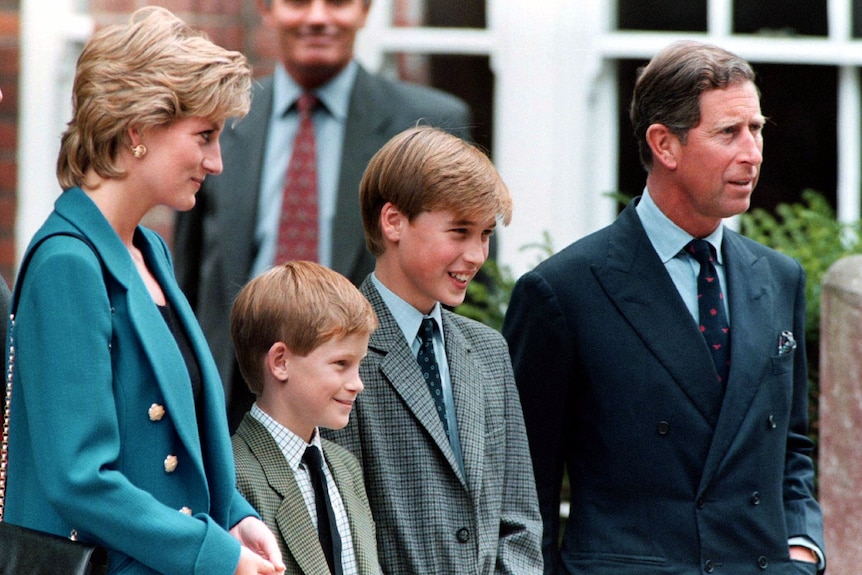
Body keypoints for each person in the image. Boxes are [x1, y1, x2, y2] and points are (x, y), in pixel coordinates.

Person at [502, 40, 825, 575]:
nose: (753, 152)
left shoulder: (779, 277)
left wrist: (802, 547)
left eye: (757, 128)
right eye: (729, 133)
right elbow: (523, 487)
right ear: (664, 145)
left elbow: (789, 444)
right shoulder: (562, 291)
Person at [2, 8, 285, 574]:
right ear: (137, 130)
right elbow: (80, 479)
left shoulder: (147, 250)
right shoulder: (68, 263)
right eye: (203, 136)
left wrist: (234, 514)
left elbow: (177, 440)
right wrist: (214, 554)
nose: (217, 161)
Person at [172, 0, 472, 431]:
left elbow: (459, 289)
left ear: (366, 10)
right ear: (266, 9)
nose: (317, 17)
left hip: (370, 408)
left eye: (337, 2)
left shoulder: (428, 126)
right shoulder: (220, 120)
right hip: (233, 408)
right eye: (297, 2)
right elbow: (189, 279)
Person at [322, 125, 543, 574]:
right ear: (393, 222)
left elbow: (519, 521)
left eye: (484, 234)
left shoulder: (488, 351)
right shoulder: (337, 350)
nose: (478, 254)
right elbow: (337, 526)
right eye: (459, 231)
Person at [230, 260, 381, 574]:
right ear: (281, 362)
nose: (357, 383)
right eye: (341, 363)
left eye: (359, 364)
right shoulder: (233, 473)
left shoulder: (346, 468)